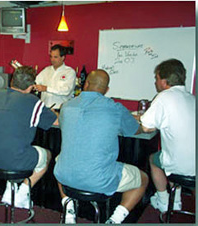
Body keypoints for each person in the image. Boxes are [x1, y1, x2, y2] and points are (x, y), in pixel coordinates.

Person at [53, 69, 149, 224]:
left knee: (61, 160)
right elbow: (135, 130)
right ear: (107, 90)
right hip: (99, 180)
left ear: (86, 84)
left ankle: (69, 209)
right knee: (143, 178)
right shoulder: (115, 109)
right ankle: (115, 219)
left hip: (65, 176)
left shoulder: (66, 106)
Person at [0, 66, 58, 209]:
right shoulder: (33, 101)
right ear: (31, 87)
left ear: (12, 81)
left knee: (13, 146)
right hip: (14, 161)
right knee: (46, 155)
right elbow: (56, 122)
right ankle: (22, 192)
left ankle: (10, 192)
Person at [139, 59, 195, 212]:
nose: (155, 82)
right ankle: (176, 199)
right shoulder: (191, 98)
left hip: (181, 166)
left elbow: (146, 127)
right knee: (170, 157)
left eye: (156, 78)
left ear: (164, 81)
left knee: (154, 159)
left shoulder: (164, 97)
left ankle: (164, 200)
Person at [34, 44, 76, 109]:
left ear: (63, 57)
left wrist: (46, 88)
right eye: (51, 57)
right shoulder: (46, 70)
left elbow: (66, 91)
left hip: (60, 110)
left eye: (55, 57)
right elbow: (35, 82)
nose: (52, 59)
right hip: (45, 109)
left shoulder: (69, 72)